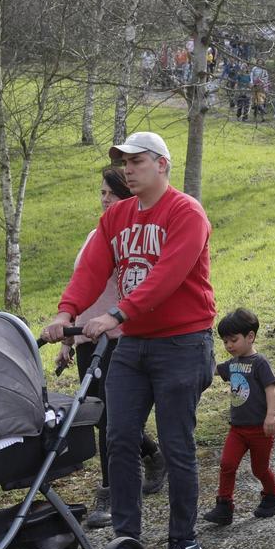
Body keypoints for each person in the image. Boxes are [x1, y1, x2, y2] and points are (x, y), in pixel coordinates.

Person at [42, 132, 215, 549]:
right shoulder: (115, 217)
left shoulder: (186, 213)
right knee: (118, 439)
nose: (127, 170)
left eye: (135, 161)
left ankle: (184, 540)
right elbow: (92, 270)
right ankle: (127, 539)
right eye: (123, 163)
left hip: (182, 341)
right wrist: (67, 312)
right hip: (133, 344)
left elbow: (168, 274)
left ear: (162, 165)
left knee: (177, 443)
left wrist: (119, 313)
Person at [55, 167, 168, 530]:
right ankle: (152, 454)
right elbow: (82, 286)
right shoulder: (96, 235)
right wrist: (68, 337)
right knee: (104, 415)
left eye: (110, 194)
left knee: (110, 419)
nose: (104, 200)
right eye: (101, 193)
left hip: (118, 337)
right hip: (88, 335)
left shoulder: (132, 239)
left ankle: (110, 491)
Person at [201, 309, 275, 526]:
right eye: (225, 341)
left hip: (259, 429)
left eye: (233, 340)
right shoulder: (233, 363)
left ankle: (272, 495)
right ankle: (224, 506)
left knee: (260, 469)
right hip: (237, 429)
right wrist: (199, 363)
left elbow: (271, 389)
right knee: (227, 464)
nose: (228, 346)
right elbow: (213, 371)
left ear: (250, 337)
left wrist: (271, 416)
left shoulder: (260, 363)